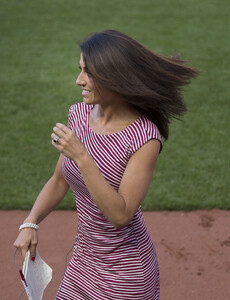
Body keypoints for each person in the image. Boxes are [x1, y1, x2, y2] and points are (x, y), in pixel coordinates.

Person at [14, 30, 199, 299]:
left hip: (127, 274)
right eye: (80, 70)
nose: (79, 81)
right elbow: (59, 180)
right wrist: (30, 222)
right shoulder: (78, 114)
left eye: (89, 73)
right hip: (83, 263)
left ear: (115, 76)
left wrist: (82, 156)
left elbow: (121, 215)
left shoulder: (144, 138)